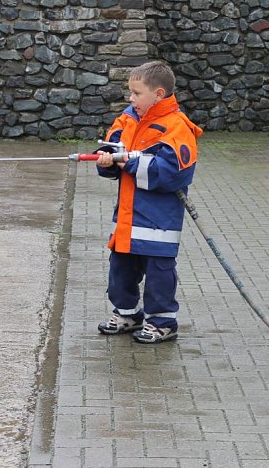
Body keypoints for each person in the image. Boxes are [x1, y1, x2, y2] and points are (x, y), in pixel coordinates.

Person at [94, 60, 203, 344]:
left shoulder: (177, 127)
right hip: (127, 217)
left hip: (159, 220)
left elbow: (171, 174)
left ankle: (163, 321)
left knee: (159, 274)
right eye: (130, 92)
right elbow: (110, 149)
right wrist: (106, 160)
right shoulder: (127, 119)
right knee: (120, 268)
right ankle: (127, 314)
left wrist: (126, 161)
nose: (131, 98)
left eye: (136, 93)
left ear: (158, 93)